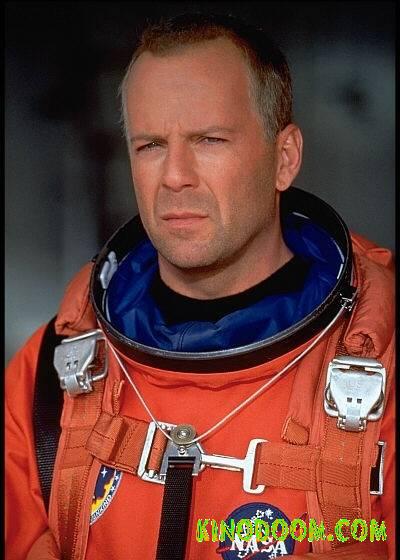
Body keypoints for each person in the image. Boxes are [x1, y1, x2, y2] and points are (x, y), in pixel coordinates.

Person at [5, 12, 395, 560]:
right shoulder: (50, 380)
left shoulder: (385, 364)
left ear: (284, 159)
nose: (174, 176)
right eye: (150, 145)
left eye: (209, 140)